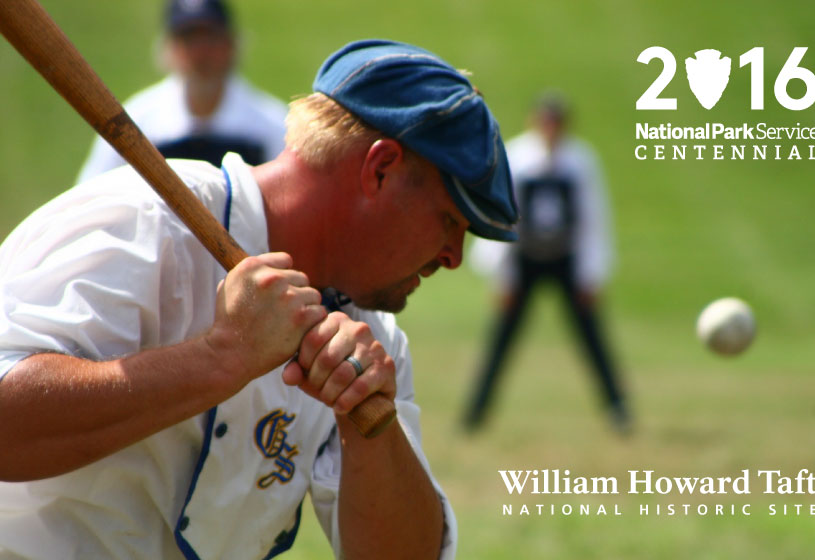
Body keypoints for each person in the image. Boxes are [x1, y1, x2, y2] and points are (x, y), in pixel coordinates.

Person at [0, 39, 518, 559]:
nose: (454, 256)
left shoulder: (371, 343)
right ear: (379, 169)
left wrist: (370, 429)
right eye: (450, 220)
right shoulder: (142, 223)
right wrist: (221, 358)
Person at [463, 91, 629, 433]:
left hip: (566, 260)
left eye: (557, 122)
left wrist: (590, 274)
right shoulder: (519, 158)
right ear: (535, 122)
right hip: (524, 260)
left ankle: (617, 409)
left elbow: (592, 220)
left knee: (591, 338)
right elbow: (502, 216)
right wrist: (502, 276)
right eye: (546, 121)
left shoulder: (580, 162)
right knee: (502, 340)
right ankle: (476, 414)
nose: (551, 128)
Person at [76, 0, 288, 182]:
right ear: (168, 48)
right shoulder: (135, 122)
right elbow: (88, 198)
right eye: (189, 39)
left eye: (210, 37)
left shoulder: (271, 126)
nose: (201, 53)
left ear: (231, 44)